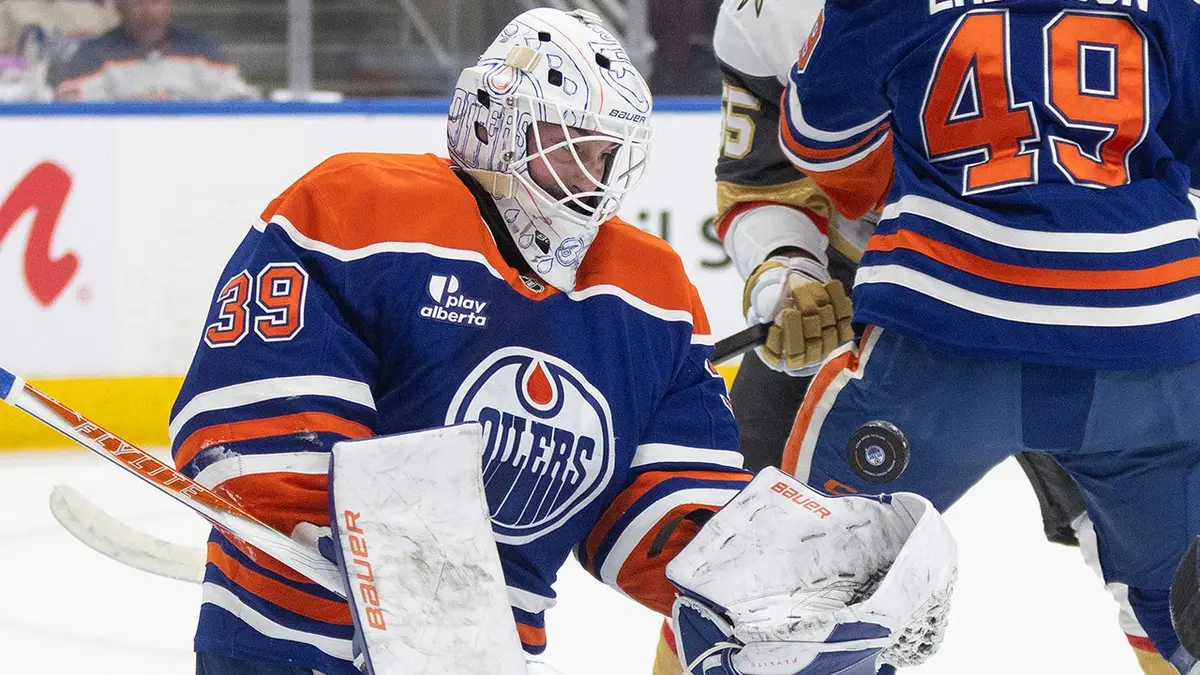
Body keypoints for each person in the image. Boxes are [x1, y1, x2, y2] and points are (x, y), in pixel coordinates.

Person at [167, 9, 748, 674]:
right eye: (569, 142)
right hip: (294, 643)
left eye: (606, 152)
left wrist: (764, 587)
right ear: (490, 121)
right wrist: (357, 533)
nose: (592, 174)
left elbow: (667, 510)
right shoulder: (355, 206)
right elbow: (264, 407)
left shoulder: (654, 294)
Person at [774, 0, 1200, 673]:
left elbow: (823, 144)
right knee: (1186, 610)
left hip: (947, 338)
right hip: (1145, 350)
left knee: (795, 594)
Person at [51, 0, 254, 100]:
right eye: (138, 3)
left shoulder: (202, 52)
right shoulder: (92, 56)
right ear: (119, 6)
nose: (148, 10)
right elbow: (75, 111)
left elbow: (239, 102)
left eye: (155, 1)